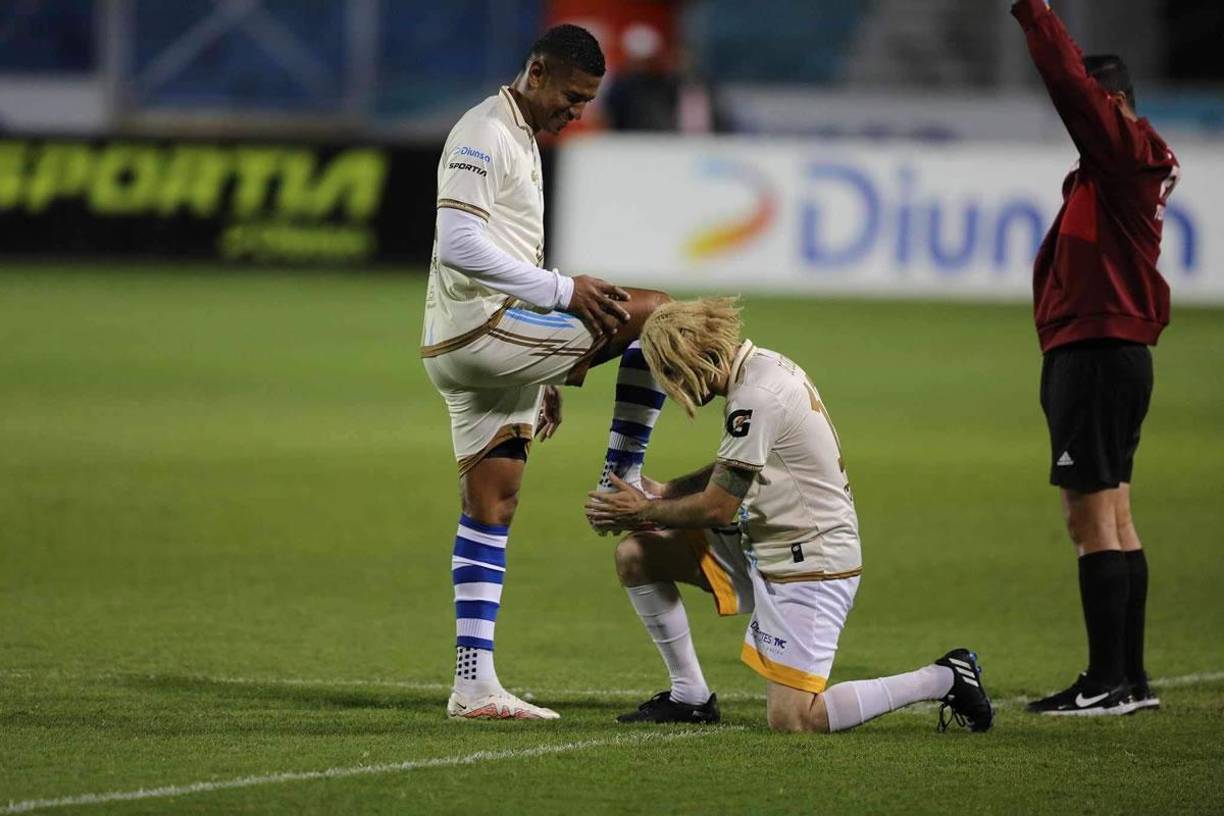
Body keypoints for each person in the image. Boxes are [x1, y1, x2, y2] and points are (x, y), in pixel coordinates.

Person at [584, 298, 993, 733]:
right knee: (638, 556)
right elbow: (741, 466)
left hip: (812, 562)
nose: (672, 386)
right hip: (765, 541)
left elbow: (718, 506)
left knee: (795, 719)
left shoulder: (755, 398)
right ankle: (691, 696)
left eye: (672, 371)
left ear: (697, 357)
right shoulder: (761, 369)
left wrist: (645, 508)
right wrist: (665, 492)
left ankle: (946, 676)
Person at [423, 24, 671, 720]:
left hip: (482, 347)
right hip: (480, 330)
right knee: (656, 313)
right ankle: (623, 476)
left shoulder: (524, 136)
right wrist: (563, 294)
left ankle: (474, 685)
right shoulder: (484, 134)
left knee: (492, 504)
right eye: (571, 95)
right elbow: (459, 242)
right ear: (536, 73)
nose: (579, 111)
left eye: (589, 99)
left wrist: (549, 370)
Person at [1010, 0, 1179, 716]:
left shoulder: (1122, 153)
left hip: (1097, 351)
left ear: (1108, 103)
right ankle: (1129, 680)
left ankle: (1105, 681)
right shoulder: (1121, 168)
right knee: (1116, 515)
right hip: (1114, 352)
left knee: (1090, 519)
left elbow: (1069, 87)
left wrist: (1033, 11)